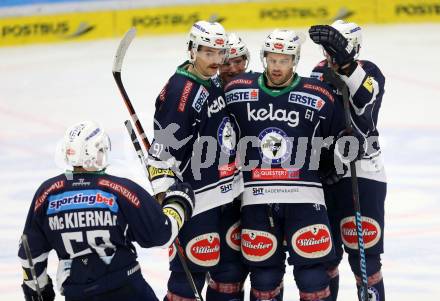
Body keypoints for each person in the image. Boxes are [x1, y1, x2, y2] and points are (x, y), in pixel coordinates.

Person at [224, 29, 344, 301]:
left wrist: (332, 165)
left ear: (295, 60)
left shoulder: (320, 94)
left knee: (312, 275)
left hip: (304, 194)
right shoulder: (237, 90)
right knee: (264, 277)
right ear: (264, 58)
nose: (277, 66)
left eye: (284, 60)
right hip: (257, 196)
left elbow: (340, 140)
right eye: (272, 59)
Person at [18, 121, 195, 301]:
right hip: (126, 289)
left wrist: (37, 290)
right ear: (98, 151)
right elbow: (162, 234)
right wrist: (178, 202)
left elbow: (30, 254)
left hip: (78, 293)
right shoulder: (120, 190)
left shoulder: (47, 193)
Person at [147, 21, 245, 301]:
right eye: (207, 53)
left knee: (229, 277)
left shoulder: (211, 80)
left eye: (219, 54)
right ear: (192, 50)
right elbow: (162, 154)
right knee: (188, 278)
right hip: (198, 200)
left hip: (228, 193)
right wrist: (164, 195)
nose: (215, 61)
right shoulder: (182, 92)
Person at [309, 20, 387, 301]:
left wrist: (346, 66)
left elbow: (365, 101)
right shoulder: (317, 71)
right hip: (327, 172)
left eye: (336, 47)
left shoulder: (370, 71)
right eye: (327, 47)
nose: (328, 52)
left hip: (363, 171)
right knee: (325, 257)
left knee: (364, 260)